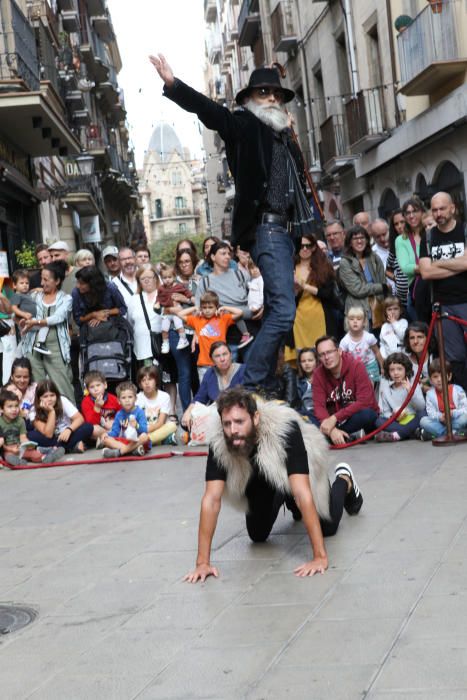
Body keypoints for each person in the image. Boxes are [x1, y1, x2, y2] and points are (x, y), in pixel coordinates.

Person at [151, 55, 314, 394]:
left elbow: (298, 190)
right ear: (251, 99)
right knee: (283, 312)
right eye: (265, 92)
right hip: (266, 229)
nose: (272, 98)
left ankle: (267, 382)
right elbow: (213, 114)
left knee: (279, 311)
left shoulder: (286, 139)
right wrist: (174, 85)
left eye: (277, 94)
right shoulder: (246, 125)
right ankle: (252, 382)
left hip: (286, 232)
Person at [183, 386, 363, 583]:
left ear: (256, 418)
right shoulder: (220, 440)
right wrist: (202, 563)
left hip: (300, 468)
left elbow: (302, 493)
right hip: (261, 478)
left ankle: (344, 480)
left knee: (327, 527)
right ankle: (285, 497)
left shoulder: (285, 429)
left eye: (239, 422)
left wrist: (319, 558)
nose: (233, 430)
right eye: (227, 423)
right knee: (257, 535)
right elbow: (211, 499)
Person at [419, 191, 467, 391]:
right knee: (454, 358)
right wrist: (457, 264)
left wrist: (437, 263)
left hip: (465, 300)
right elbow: (426, 272)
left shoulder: (464, 230)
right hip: (443, 305)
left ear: (452, 208)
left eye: (442, 208)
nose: (438, 213)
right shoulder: (428, 237)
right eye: (434, 209)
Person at [20, 261, 74, 403]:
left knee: (63, 387)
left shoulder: (66, 299)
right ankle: (43, 421)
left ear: (57, 281)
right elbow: (22, 313)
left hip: (56, 348)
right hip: (33, 348)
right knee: (38, 388)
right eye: (41, 279)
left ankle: (72, 421)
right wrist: (23, 320)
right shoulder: (34, 297)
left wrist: (36, 322)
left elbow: (58, 317)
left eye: (46, 279)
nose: (42, 283)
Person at [313, 335, 379, 445]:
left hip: (353, 417)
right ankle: (343, 435)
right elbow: (319, 405)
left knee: (368, 414)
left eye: (329, 352)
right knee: (307, 417)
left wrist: (335, 418)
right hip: (333, 423)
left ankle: (330, 437)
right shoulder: (318, 374)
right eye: (322, 355)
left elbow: (365, 401)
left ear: (339, 351)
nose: (326, 357)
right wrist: (332, 430)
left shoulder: (357, 366)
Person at [285, 234, 338, 366]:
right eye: (301, 246)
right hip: (298, 318)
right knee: (303, 361)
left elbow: (328, 294)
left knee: (323, 355)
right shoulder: (289, 267)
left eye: (308, 246)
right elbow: (287, 297)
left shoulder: (323, 267)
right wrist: (296, 290)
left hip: (320, 316)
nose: (304, 249)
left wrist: (305, 286)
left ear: (314, 247)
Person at [196, 241, 255, 355]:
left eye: (229, 253)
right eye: (223, 253)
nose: (227, 256)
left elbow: (256, 300)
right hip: (224, 336)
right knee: (226, 371)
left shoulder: (241, 275)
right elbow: (198, 310)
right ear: (213, 257)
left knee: (252, 369)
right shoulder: (205, 282)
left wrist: (258, 309)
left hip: (250, 330)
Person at [177, 291, 244, 382]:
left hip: (221, 364)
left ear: (216, 307)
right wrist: (195, 308)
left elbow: (240, 312)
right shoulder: (197, 319)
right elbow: (180, 314)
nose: (207, 310)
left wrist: (224, 307)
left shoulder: (223, 318)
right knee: (206, 393)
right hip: (204, 364)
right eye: (204, 307)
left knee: (223, 393)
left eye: (210, 307)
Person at [181, 341, 245, 428]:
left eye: (225, 354)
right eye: (217, 356)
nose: (222, 359)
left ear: (230, 355)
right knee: (186, 422)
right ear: (212, 360)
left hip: (239, 414)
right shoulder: (210, 374)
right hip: (216, 416)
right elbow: (199, 398)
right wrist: (188, 412)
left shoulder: (243, 371)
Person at [338, 225, 387, 333]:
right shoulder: (345, 262)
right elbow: (357, 290)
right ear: (349, 242)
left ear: (367, 240)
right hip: (357, 312)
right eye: (355, 238)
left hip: (378, 309)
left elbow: (383, 281)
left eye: (362, 238)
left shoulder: (374, 257)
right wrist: (381, 287)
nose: (359, 241)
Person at [0, 389, 64, 466]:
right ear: (1, 409)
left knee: (33, 453)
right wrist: (10, 449)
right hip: (7, 449)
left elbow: (23, 437)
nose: (14, 409)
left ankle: (45, 458)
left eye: (16, 406)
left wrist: (28, 444)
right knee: (8, 456)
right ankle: (18, 462)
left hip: (19, 447)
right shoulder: (1, 422)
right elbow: (2, 444)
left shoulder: (20, 421)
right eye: (10, 407)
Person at [28, 379, 93, 454]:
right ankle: (67, 448)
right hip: (50, 438)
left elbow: (79, 418)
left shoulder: (62, 400)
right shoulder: (33, 411)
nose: (50, 399)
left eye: (52, 395)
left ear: (56, 395)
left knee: (88, 427)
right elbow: (48, 434)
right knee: (31, 435)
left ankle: (53, 449)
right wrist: (51, 412)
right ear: (39, 398)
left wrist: (69, 429)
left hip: (67, 436)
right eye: (45, 396)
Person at [375, 352, 425, 442]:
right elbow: (385, 412)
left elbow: (421, 406)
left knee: (423, 415)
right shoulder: (386, 390)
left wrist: (410, 392)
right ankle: (410, 432)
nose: (396, 373)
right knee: (379, 421)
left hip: (412, 418)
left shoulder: (413, 384)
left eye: (399, 369)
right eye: (392, 370)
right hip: (397, 421)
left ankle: (398, 435)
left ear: (406, 370)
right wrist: (394, 415)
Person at [419, 359, 467, 440]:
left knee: (464, 418)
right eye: (435, 377)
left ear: (449, 376)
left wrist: (453, 413)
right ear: (430, 380)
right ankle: (452, 433)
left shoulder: (458, 390)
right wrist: (440, 417)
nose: (439, 379)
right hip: (441, 423)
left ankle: (439, 434)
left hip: (455, 420)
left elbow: (465, 408)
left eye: (443, 375)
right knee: (423, 421)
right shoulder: (430, 394)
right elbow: (431, 413)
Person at [396, 197, 426, 321]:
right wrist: (430, 268)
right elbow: (405, 267)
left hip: (438, 290)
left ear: (422, 212)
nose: (411, 216)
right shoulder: (401, 239)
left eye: (415, 211)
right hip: (417, 294)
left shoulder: (431, 233)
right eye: (407, 213)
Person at [102, 381, 150, 458]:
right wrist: (107, 434)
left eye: (130, 397)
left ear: (135, 398)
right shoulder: (119, 414)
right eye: (123, 398)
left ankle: (121, 451)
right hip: (125, 441)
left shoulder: (140, 412)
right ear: (118, 400)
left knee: (145, 436)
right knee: (106, 440)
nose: (127, 400)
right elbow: (115, 432)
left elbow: (144, 430)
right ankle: (132, 450)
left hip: (137, 440)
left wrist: (137, 425)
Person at [126, 265, 161, 366]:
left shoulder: (163, 295)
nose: (146, 281)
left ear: (156, 278)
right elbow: (130, 323)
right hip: (143, 350)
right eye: (143, 278)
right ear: (139, 281)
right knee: (148, 376)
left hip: (163, 348)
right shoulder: (134, 300)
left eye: (149, 277)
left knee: (166, 379)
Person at [339, 306, 383, 383]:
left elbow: (377, 352)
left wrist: (383, 367)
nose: (355, 321)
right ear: (347, 322)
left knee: (370, 389)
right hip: (353, 368)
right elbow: (340, 358)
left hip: (370, 366)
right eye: (352, 319)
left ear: (364, 322)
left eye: (359, 319)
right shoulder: (345, 341)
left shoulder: (369, 337)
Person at [135, 365, 177, 445]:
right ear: (140, 385)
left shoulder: (164, 396)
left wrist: (147, 432)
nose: (147, 383)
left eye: (150, 379)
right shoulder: (137, 398)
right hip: (142, 430)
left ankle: (144, 442)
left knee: (172, 425)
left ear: (156, 381)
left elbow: (161, 422)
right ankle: (158, 440)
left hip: (158, 428)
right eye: (143, 381)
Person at [157, 265, 192, 354]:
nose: (167, 279)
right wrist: (157, 304)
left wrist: (188, 298)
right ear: (161, 278)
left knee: (179, 326)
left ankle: (183, 339)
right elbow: (159, 298)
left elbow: (187, 293)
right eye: (164, 278)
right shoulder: (161, 288)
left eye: (169, 277)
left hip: (177, 312)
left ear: (174, 277)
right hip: (167, 312)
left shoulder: (179, 286)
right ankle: (165, 343)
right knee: (164, 328)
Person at [81, 371, 121, 447]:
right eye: (92, 387)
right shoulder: (86, 401)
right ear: (88, 390)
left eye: (98, 385)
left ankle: (106, 440)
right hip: (99, 430)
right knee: (93, 429)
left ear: (105, 385)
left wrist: (115, 423)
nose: (96, 389)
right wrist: (97, 407)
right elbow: (91, 423)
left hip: (113, 427)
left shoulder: (113, 399)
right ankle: (110, 439)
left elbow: (122, 413)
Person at [386, 209, 409, 311]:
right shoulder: (395, 247)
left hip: (415, 296)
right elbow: (387, 270)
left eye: (402, 222)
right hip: (400, 300)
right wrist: (397, 279)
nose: (399, 226)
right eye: (396, 224)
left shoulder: (416, 242)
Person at [296, 347, 318, 424]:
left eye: (310, 360)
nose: (307, 363)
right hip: (303, 416)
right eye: (303, 361)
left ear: (316, 361)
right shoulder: (297, 381)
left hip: (319, 414)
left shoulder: (323, 379)